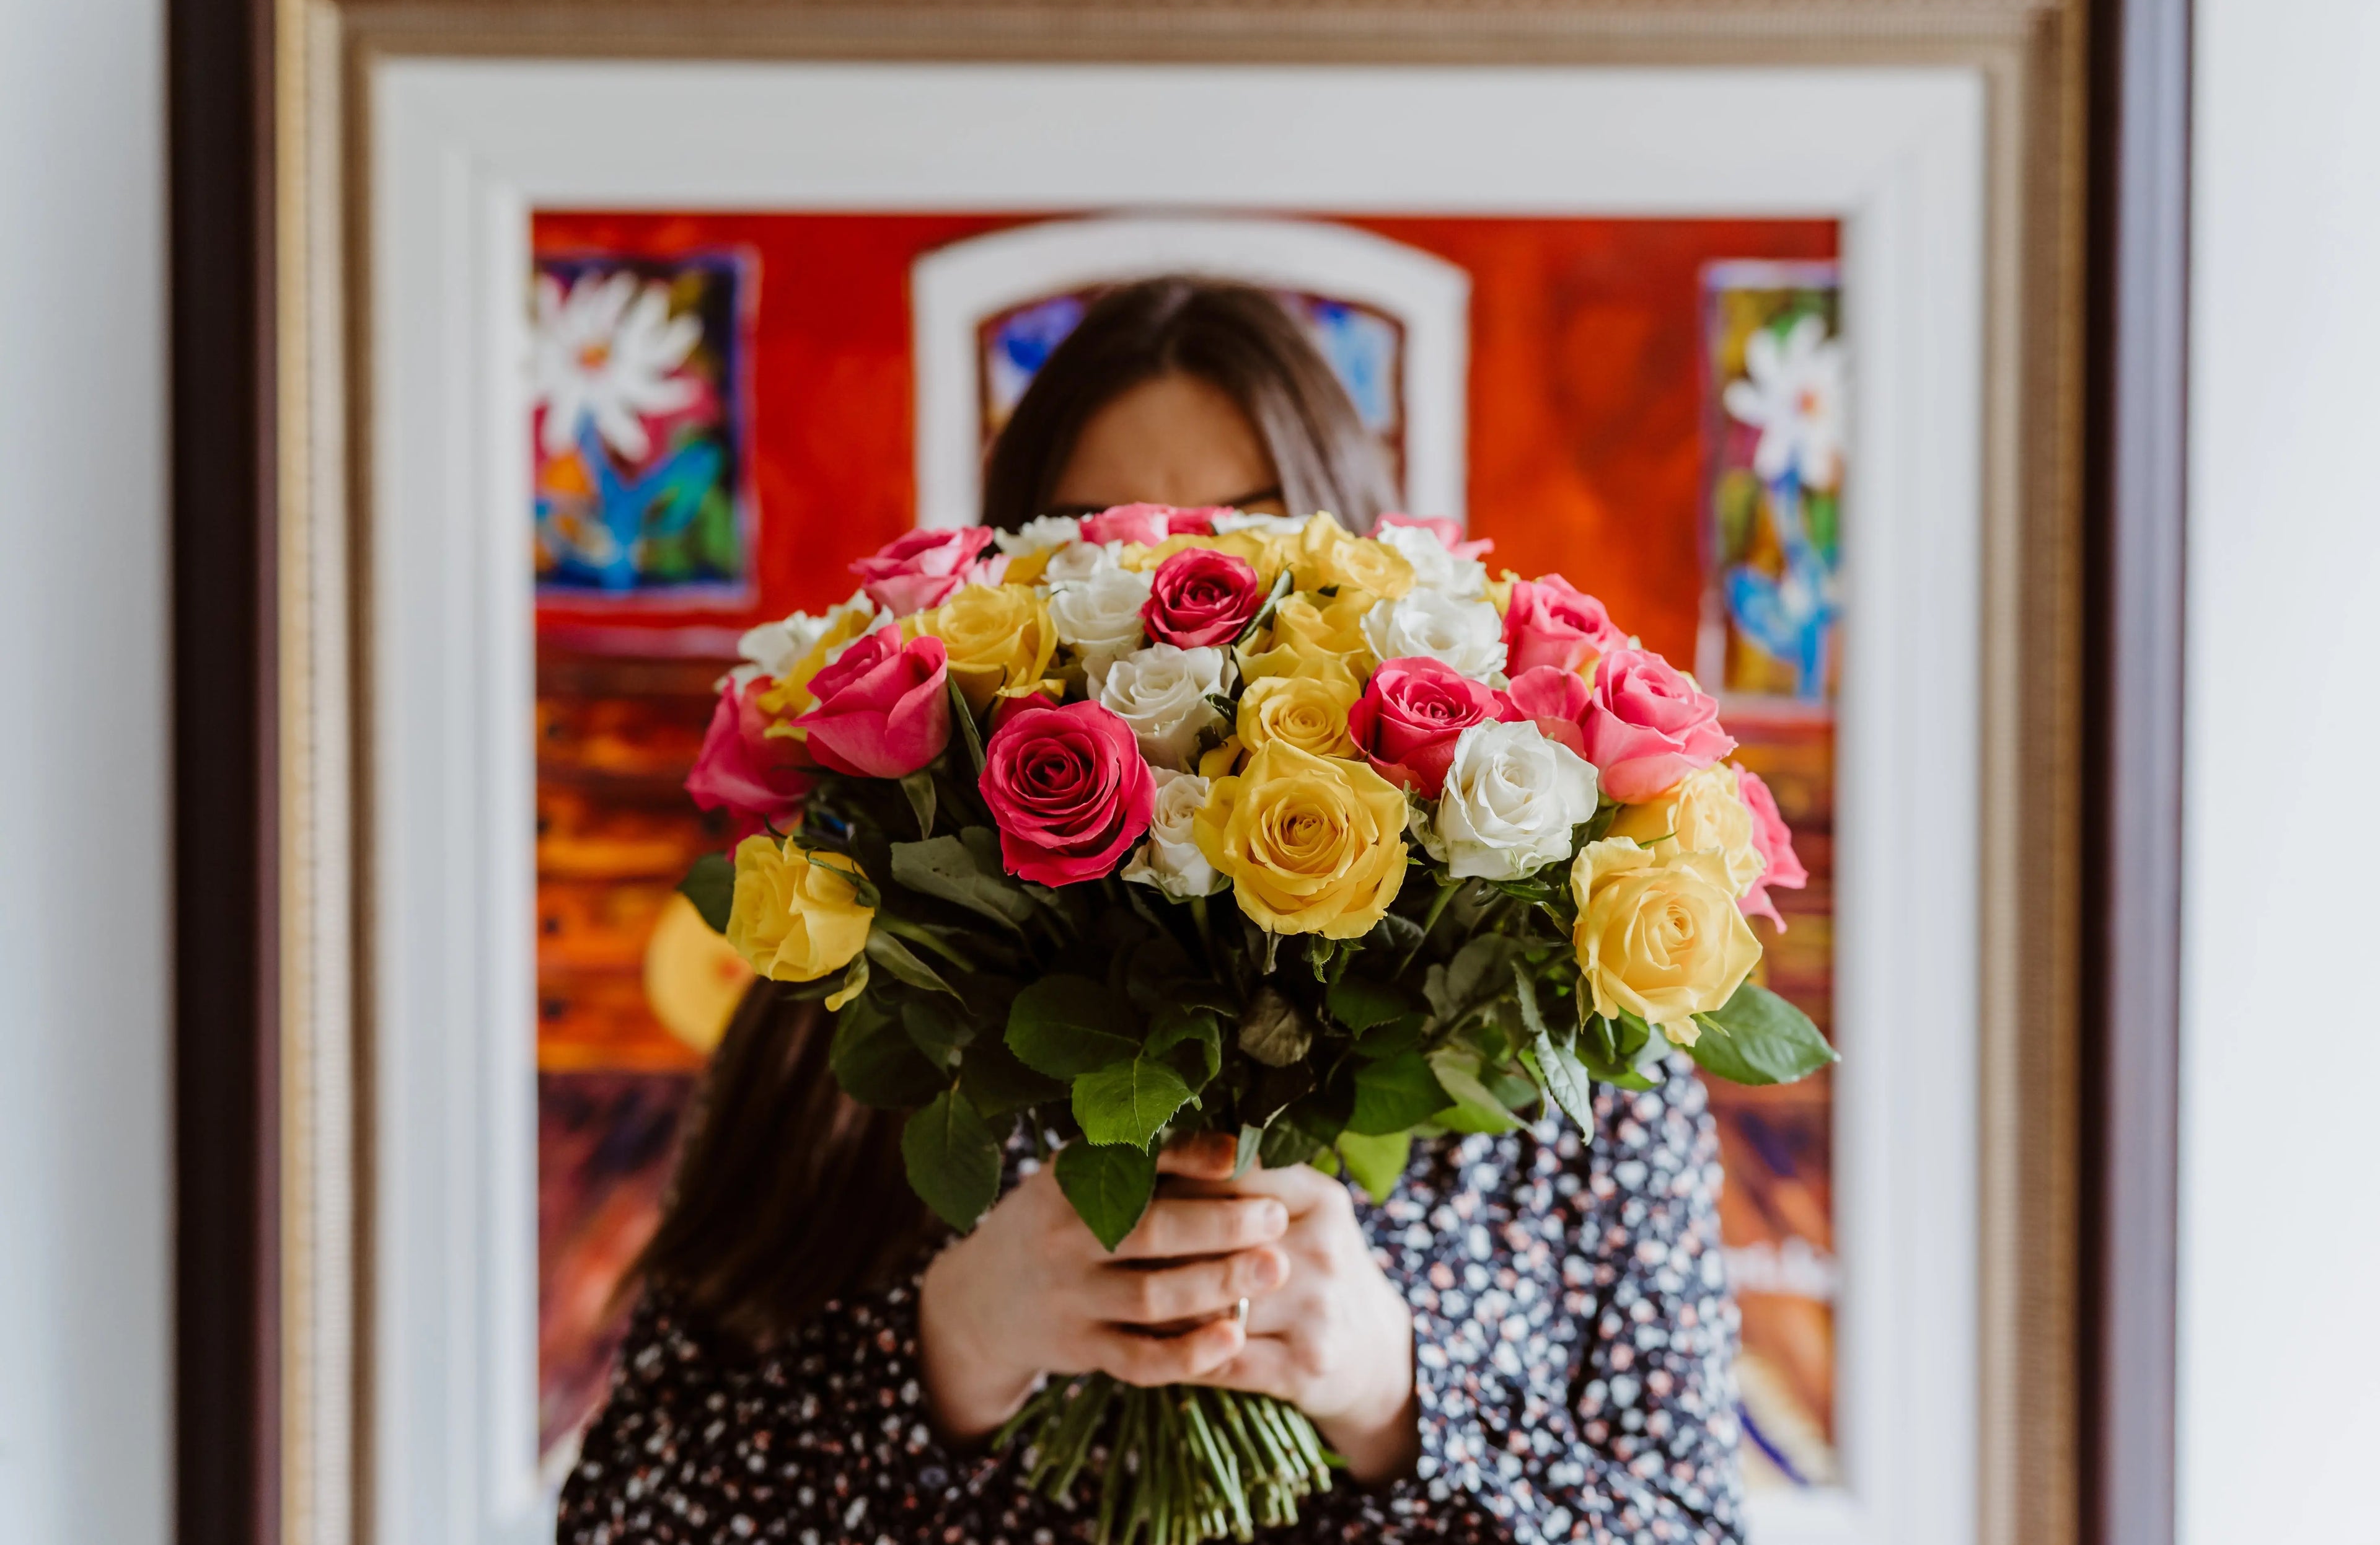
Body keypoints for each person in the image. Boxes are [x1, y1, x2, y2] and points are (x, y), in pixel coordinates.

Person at [557, 276, 1747, 1545]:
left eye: (1249, 535)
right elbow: (622, 1521)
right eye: (1096, 541)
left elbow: (1690, 1526)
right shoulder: (855, 1008)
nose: (1174, 595)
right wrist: (943, 1355)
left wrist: (1404, 1402)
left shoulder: (1551, 1027)